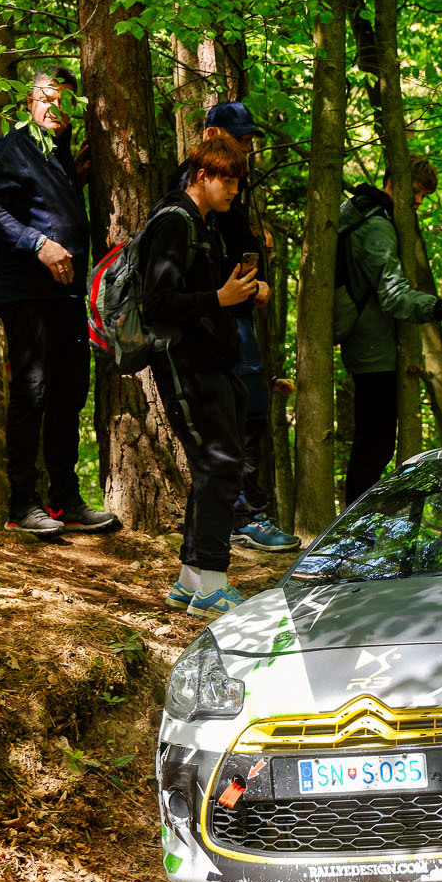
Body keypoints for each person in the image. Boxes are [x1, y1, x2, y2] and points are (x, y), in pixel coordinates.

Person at [0, 69, 118, 536]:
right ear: (29, 102)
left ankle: (65, 500)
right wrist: (38, 244)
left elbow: (44, 203)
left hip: (68, 296)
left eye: (66, 102)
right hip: (27, 293)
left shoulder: (59, 154)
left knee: (69, 392)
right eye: (48, 99)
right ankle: (22, 504)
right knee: (32, 392)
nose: (57, 109)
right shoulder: (12, 147)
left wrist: (78, 177)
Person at [142, 134, 263, 615]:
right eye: (226, 181)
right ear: (202, 176)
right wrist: (219, 298)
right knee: (220, 464)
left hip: (209, 363)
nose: (234, 190)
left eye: (237, 182)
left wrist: (236, 294)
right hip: (185, 365)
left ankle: (190, 580)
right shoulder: (174, 222)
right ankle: (213, 585)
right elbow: (156, 303)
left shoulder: (202, 224)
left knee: (214, 466)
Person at [181, 102, 297, 554]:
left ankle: (247, 513)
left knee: (250, 411)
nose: (247, 148)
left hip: (237, 314)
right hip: (217, 320)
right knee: (238, 417)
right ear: (212, 136)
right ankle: (243, 517)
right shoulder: (196, 192)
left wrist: (257, 276)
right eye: (239, 138)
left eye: (249, 140)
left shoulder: (231, 189)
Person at [336, 159, 442, 503]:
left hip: (373, 346)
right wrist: (435, 307)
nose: (418, 202)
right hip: (373, 350)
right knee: (374, 447)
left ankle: (362, 519)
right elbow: (392, 296)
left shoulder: (368, 216)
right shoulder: (377, 226)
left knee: (373, 444)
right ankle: (357, 523)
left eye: (423, 196)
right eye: (415, 192)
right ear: (393, 182)